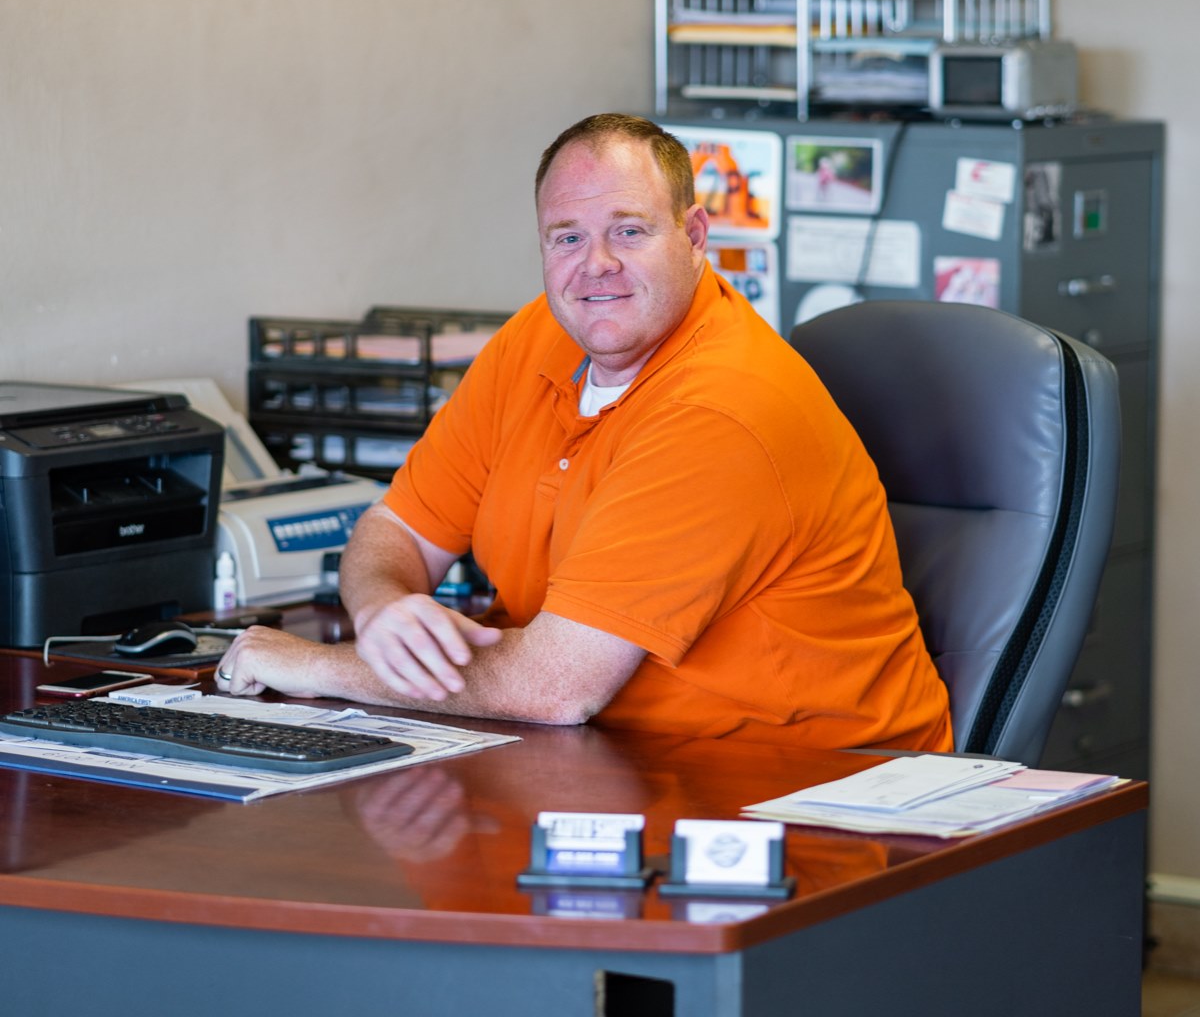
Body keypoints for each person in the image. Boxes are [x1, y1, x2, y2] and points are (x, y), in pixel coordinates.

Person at [216, 113, 952, 753]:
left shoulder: (722, 406)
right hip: (604, 757)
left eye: (629, 230)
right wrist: (381, 609)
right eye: (567, 237)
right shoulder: (540, 334)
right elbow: (396, 529)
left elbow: (554, 687)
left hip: (802, 790)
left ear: (695, 236)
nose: (596, 266)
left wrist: (314, 665)